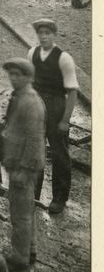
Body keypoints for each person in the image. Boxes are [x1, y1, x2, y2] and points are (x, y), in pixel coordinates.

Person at [0, 58, 47, 271]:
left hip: (23, 166)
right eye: (11, 74)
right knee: (27, 209)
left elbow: (35, 140)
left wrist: (25, 170)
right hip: (17, 163)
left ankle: (19, 258)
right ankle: (31, 249)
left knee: (20, 214)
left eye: (18, 75)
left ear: (28, 77)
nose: (13, 78)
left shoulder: (31, 103)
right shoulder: (19, 97)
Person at [28, 19, 78, 215]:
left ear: (54, 35)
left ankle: (59, 197)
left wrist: (65, 120)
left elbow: (72, 92)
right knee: (35, 150)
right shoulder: (32, 53)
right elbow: (29, 83)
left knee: (59, 154)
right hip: (37, 107)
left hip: (57, 106)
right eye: (41, 33)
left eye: (48, 33)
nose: (44, 36)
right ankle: (34, 193)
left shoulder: (64, 58)